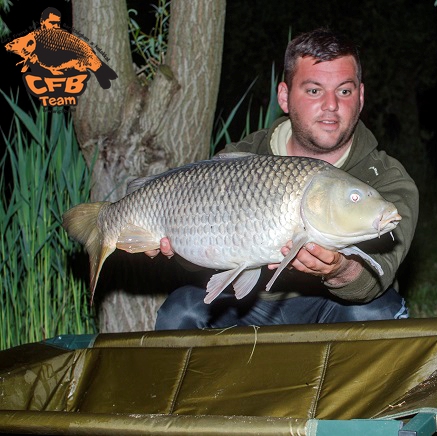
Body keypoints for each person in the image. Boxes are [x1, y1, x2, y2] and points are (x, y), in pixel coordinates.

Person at [151, 27, 419, 330]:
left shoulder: (387, 179)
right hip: (250, 305)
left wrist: (339, 269)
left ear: (360, 97)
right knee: (181, 312)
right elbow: (207, 248)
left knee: (375, 315)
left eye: (344, 91)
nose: (331, 104)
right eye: (314, 90)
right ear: (284, 96)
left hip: (334, 307)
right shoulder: (241, 159)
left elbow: (374, 279)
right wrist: (178, 241)